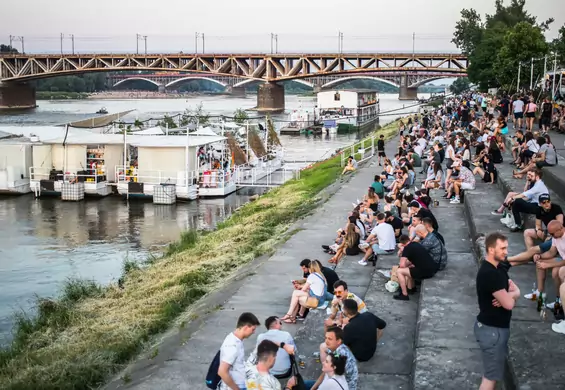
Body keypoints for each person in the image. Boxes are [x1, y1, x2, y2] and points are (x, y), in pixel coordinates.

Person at [475, 233, 520, 390]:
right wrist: (512, 295)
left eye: (506, 248)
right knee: (490, 378)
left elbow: (513, 294)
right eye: (502, 248)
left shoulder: (499, 267)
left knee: (491, 372)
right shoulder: (489, 273)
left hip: (495, 330)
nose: (506, 252)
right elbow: (508, 304)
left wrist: (514, 294)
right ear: (491, 249)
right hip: (492, 331)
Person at [219, 312, 261, 390]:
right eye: (253, 329)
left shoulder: (236, 339)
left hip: (242, 381)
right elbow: (222, 371)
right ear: (245, 327)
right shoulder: (232, 346)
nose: (254, 332)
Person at [394, 235, 438, 301]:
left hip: (424, 272)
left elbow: (402, 265)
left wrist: (401, 251)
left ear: (402, 244)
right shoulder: (416, 244)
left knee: (399, 271)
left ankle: (404, 294)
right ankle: (411, 288)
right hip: (431, 269)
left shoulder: (407, 248)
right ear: (409, 239)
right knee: (409, 269)